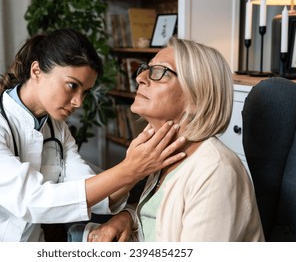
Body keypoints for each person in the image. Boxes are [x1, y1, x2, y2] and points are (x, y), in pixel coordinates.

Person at [0, 28, 187, 242]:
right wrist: (131, 169)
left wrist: (139, 170)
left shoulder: (57, 129)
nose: (78, 102)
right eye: (72, 86)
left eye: (84, 92)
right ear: (37, 71)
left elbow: (90, 191)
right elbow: (32, 201)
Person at [85, 37, 265, 242]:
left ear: (197, 97)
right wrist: (128, 217)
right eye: (146, 68)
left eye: (160, 72)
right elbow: (161, 217)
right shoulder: (164, 154)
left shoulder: (216, 172)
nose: (140, 78)